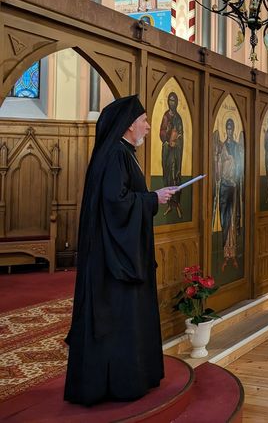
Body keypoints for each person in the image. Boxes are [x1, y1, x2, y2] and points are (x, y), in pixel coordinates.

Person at [64, 95, 177, 406]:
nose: (149, 126)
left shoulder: (122, 152)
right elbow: (116, 204)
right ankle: (117, 384)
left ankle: (133, 377)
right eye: (144, 120)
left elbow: (122, 198)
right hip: (114, 262)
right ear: (129, 125)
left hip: (118, 253)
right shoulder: (116, 155)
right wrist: (153, 199)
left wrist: (151, 199)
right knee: (117, 318)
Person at [217, 118, 242, 271]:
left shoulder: (237, 147)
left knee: (233, 219)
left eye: (232, 128)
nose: (230, 131)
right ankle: (224, 253)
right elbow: (219, 169)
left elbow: (239, 165)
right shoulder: (222, 146)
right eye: (228, 128)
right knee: (225, 219)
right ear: (225, 130)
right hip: (225, 186)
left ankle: (232, 253)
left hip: (234, 186)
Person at [159, 91, 184, 217]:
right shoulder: (165, 116)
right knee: (168, 175)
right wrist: (167, 137)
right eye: (170, 100)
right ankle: (169, 205)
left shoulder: (178, 118)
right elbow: (161, 132)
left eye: (174, 100)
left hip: (176, 152)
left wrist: (177, 140)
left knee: (176, 175)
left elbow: (181, 135)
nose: (172, 103)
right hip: (167, 151)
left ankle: (177, 203)